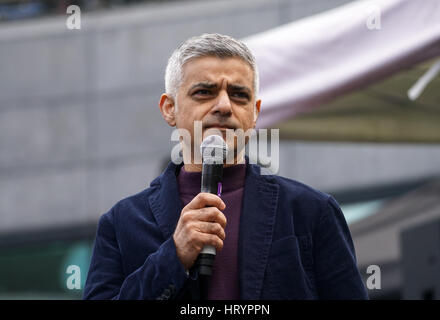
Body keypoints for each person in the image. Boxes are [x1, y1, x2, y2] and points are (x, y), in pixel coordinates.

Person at [83, 33, 368, 300]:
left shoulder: (311, 212)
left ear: (255, 113)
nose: (224, 106)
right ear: (169, 108)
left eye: (239, 95)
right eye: (204, 92)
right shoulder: (121, 223)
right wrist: (174, 256)